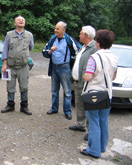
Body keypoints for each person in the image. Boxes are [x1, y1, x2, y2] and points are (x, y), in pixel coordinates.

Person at [80, 30, 119, 158]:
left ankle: (94, 150)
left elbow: (88, 76)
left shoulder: (95, 57)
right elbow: (113, 77)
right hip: (107, 93)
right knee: (103, 121)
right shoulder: (115, 58)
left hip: (93, 94)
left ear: (98, 42)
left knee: (94, 122)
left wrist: (83, 74)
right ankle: (102, 147)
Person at [42, 21, 81, 120]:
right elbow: (44, 51)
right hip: (54, 67)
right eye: (55, 28)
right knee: (54, 90)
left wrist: (73, 62)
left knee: (67, 91)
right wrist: (50, 51)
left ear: (63, 30)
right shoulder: (53, 39)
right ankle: (54, 108)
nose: (55, 30)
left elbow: (79, 51)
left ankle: (67, 111)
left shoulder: (69, 40)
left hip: (65, 68)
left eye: (57, 29)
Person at [1, 15, 34, 115]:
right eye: (18, 20)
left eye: (23, 19)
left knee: (24, 87)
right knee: (10, 86)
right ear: (15, 23)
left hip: (24, 66)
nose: (21, 20)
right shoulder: (9, 34)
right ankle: (10, 105)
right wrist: (4, 64)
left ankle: (24, 106)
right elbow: (5, 50)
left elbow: (31, 47)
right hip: (10, 66)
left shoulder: (29, 35)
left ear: (24, 23)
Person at [69, 26, 97, 140]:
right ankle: (81, 125)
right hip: (77, 82)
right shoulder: (83, 47)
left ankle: (91, 131)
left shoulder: (94, 47)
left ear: (85, 35)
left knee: (89, 107)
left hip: (87, 83)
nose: (79, 35)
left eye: (80, 33)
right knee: (79, 104)